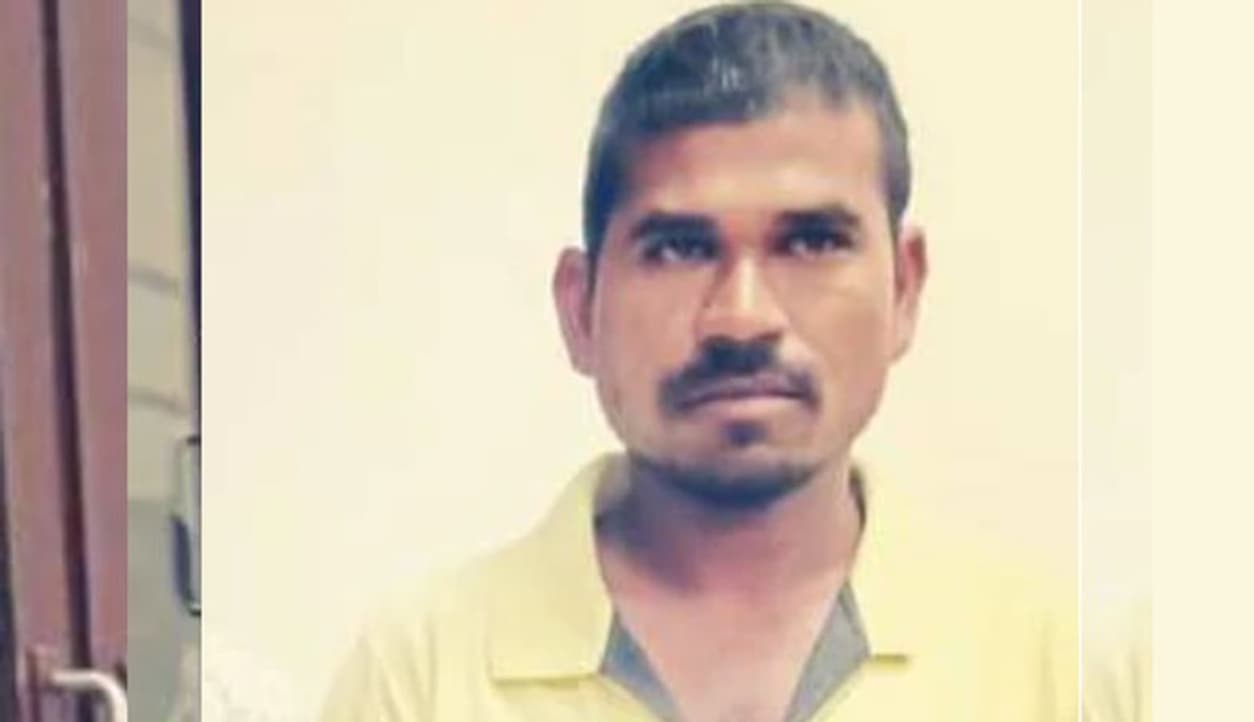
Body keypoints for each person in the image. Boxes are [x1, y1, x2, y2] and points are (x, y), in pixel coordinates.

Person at [320, 2, 1076, 720]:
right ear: (580, 309)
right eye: (679, 249)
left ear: (904, 289)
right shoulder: (421, 676)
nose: (742, 318)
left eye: (811, 242)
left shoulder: (1050, 665)